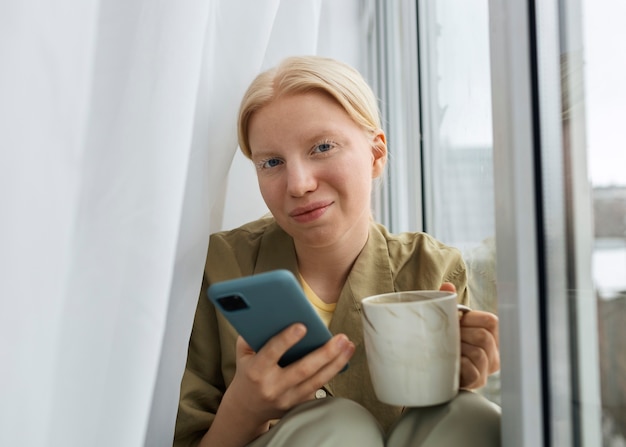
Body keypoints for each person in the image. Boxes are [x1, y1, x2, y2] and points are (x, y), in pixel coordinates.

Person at [174, 55, 501, 447]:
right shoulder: (218, 268)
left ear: (376, 154)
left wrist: (466, 380)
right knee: (338, 425)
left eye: (322, 147)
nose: (298, 184)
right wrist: (244, 409)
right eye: (272, 162)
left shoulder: (434, 271)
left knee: (468, 414)